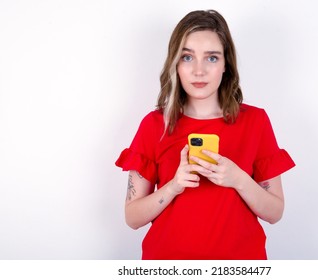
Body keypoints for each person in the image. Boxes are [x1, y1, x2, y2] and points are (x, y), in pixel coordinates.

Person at [115, 9, 295, 260]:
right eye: (187, 57)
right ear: (175, 64)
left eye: (211, 58)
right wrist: (174, 186)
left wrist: (238, 179)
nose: (199, 71)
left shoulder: (255, 122)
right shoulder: (155, 125)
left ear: (225, 65)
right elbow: (132, 218)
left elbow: (275, 213)